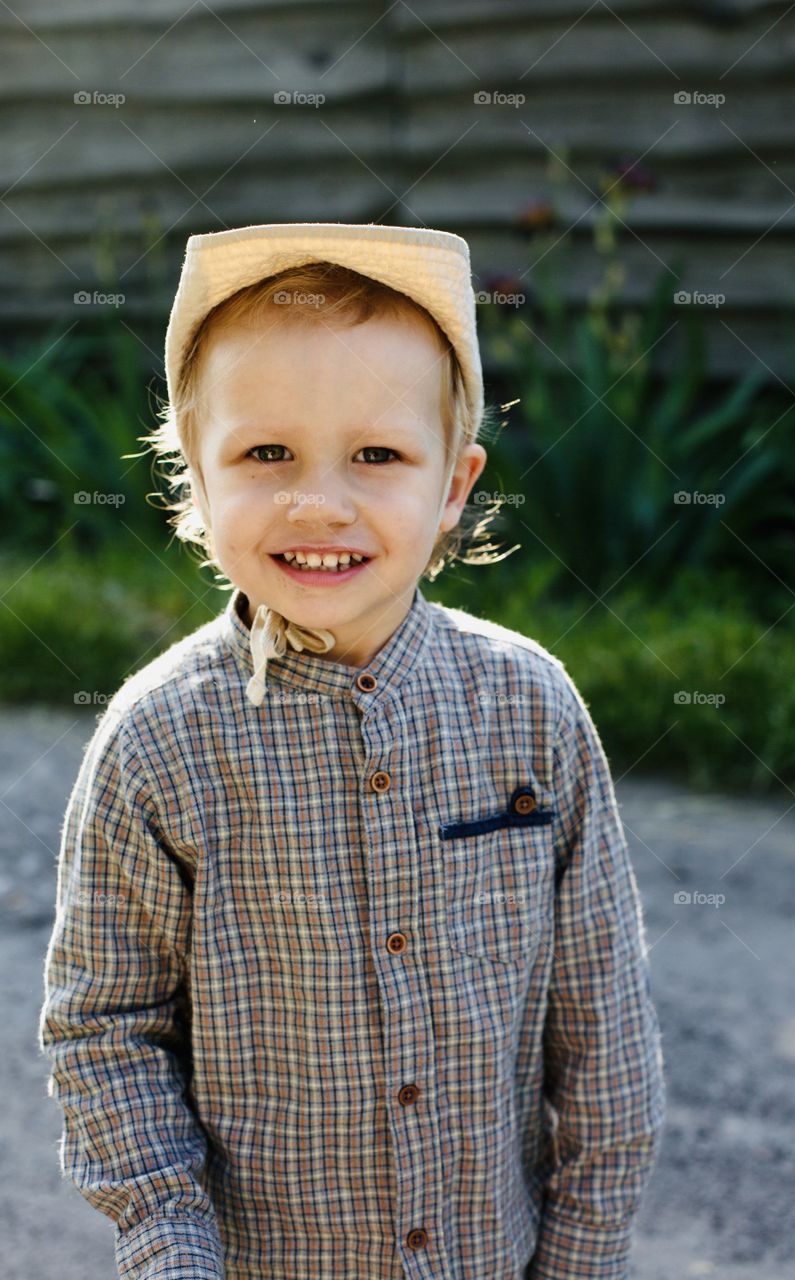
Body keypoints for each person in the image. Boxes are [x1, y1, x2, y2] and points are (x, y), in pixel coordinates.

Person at [38, 221, 666, 1279]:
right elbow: (103, 1028)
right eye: (265, 452)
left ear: (454, 483)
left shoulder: (532, 711)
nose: (318, 500)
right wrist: (168, 1246)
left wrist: (578, 1259)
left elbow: (602, 1027)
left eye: (377, 453)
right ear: (198, 469)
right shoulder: (157, 742)